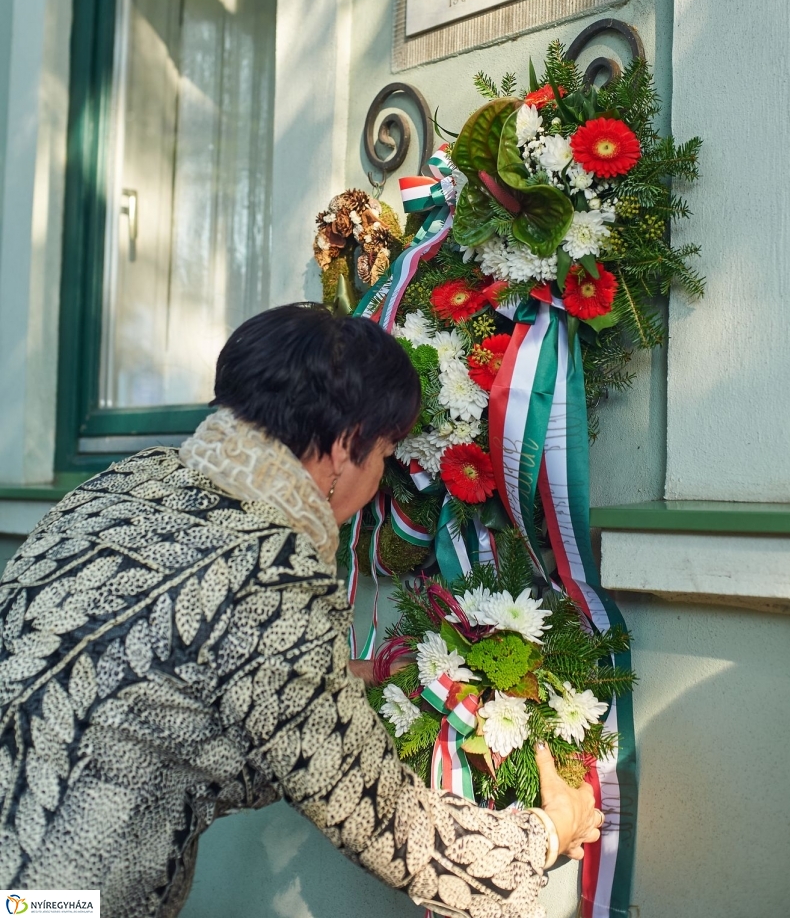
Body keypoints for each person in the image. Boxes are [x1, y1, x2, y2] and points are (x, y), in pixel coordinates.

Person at [0, 304, 602, 916]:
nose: (379, 479)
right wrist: (545, 833)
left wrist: (321, 682)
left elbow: (154, 687)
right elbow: (382, 820)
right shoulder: (274, 568)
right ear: (344, 448)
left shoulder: (127, 481)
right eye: (386, 455)